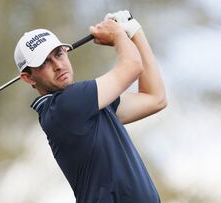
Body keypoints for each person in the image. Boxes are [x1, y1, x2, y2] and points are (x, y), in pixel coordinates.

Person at [14, 10, 166, 203]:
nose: (58, 65)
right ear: (28, 77)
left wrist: (135, 32)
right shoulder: (64, 106)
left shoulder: (89, 104)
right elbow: (132, 66)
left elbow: (155, 98)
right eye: (44, 63)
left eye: (58, 54)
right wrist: (118, 34)